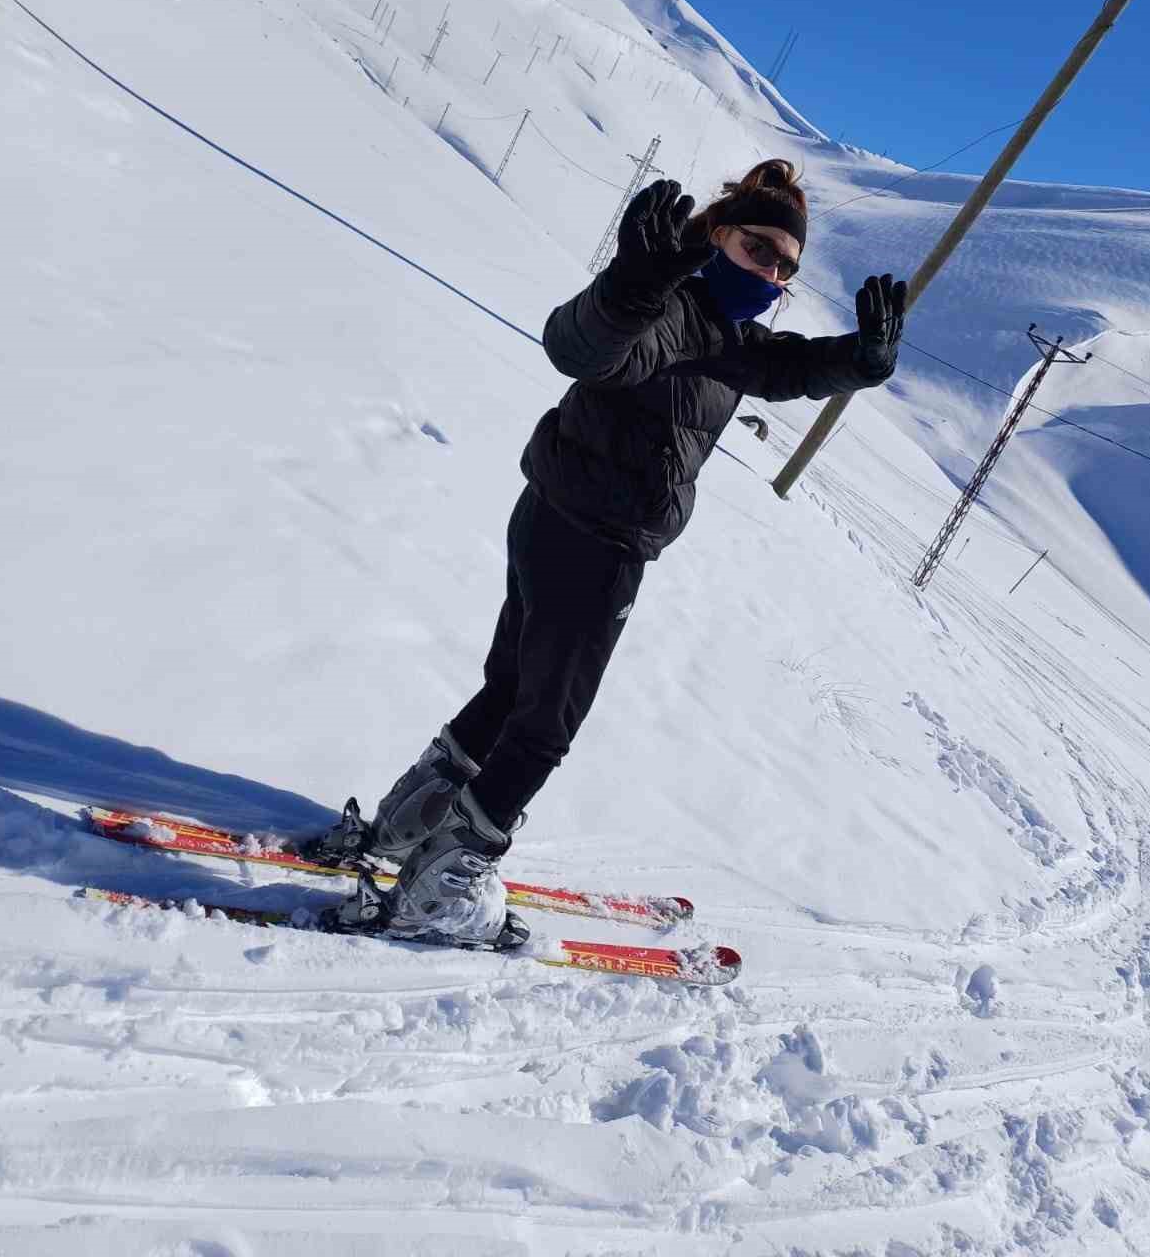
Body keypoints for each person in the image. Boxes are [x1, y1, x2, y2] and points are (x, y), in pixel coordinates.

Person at [311, 159, 908, 946]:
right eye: (759, 248)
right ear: (717, 235)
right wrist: (630, 284)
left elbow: (786, 366)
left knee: (511, 690)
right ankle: (441, 892)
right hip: (595, 545)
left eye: (785, 267)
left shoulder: (725, 334)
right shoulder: (670, 308)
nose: (771, 272)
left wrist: (859, 362)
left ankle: (399, 830)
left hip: (554, 520)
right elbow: (581, 348)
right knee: (543, 729)